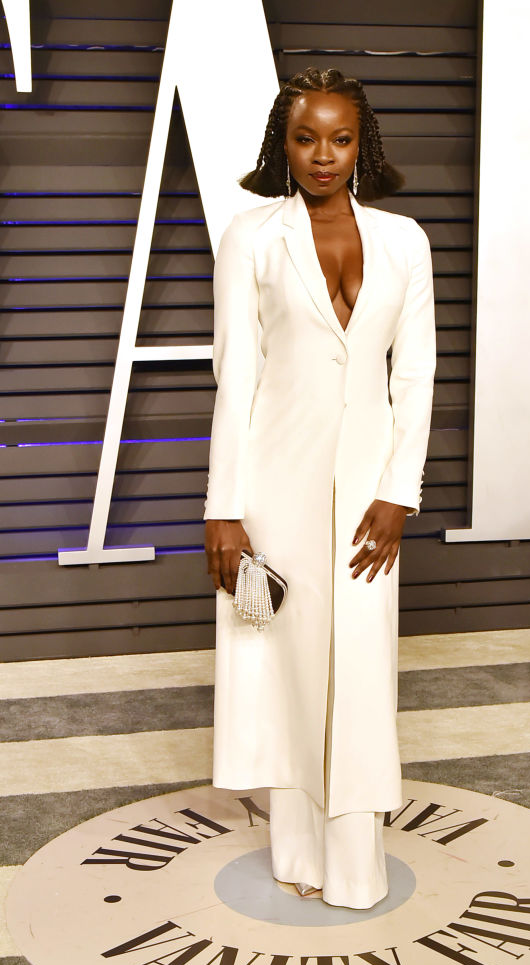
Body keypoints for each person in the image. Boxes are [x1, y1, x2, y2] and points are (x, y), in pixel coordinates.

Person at [203, 67, 436, 909]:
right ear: (284, 144)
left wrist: (398, 491)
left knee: (361, 667)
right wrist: (224, 509)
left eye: (339, 138)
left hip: (370, 490)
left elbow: (414, 374)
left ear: (361, 144)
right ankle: (298, 855)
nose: (323, 155)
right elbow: (236, 376)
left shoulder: (404, 240)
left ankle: (355, 865)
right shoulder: (251, 236)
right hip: (274, 481)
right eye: (306, 138)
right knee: (289, 665)